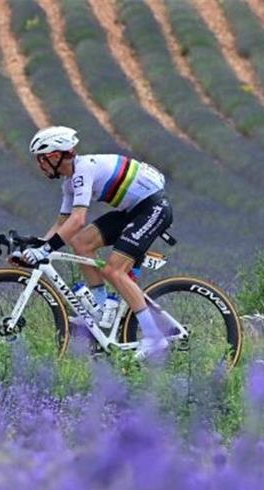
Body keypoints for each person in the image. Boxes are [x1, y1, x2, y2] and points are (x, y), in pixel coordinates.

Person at [11, 126, 174, 358]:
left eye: (42, 159)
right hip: (133, 211)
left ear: (56, 156)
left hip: (153, 208)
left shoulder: (83, 170)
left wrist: (46, 249)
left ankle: (154, 337)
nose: (40, 165)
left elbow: (78, 220)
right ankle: (101, 309)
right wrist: (35, 247)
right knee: (81, 243)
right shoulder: (69, 183)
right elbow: (62, 225)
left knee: (114, 271)